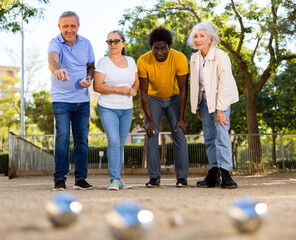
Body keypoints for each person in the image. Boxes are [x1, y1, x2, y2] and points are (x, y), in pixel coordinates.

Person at [187, 22, 239, 189]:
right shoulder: (194, 58)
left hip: (220, 100)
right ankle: (213, 174)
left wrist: (220, 109)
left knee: (222, 135)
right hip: (203, 102)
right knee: (209, 138)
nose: (198, 39)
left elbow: (225, 83)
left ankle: (226, 174)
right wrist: (196, 107)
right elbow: (195, 84)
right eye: (195, 36)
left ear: (211, 39)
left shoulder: (220, 56)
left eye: (202, 36)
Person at [137, 26, 189, 188]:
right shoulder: (143, 60)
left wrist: (181, 118)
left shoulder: (179, 58)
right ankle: (154, 177)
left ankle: (181, 177)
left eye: (163, 48)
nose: (159, 52)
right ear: (151, 48)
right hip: (153, 99)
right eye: (156, 49)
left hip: (174, 98)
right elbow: (143, 92)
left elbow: (183, 90)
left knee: (179, 133)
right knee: (151, 134)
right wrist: (150, 121)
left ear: (169, 47)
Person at [48, 11, 95, 191]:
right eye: (65, 26)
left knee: (82, 139)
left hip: (82, 100)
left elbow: (91, 67)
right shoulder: (55, 42)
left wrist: (89, 78)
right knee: (62, 138)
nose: (69, 29)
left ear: (78, 27)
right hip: (61, 100)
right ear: (59, 27)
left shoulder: (86, 43)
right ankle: (59, 179)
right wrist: (58, 70)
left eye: (73, 26)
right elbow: (52, 60)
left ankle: (80, 179)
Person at [93, 30, 139, 191]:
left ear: (123, 43)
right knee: (113, 141)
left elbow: (136, 81)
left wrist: (134, 89)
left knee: (120, 145)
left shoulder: (131, 61)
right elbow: (97, 86)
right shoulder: (103, 62)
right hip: (108, 108)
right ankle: (113, 180)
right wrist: (119, 89)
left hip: (127, 109)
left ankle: (118, 180)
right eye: (109, 41)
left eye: (116, 41)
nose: (112, 44)